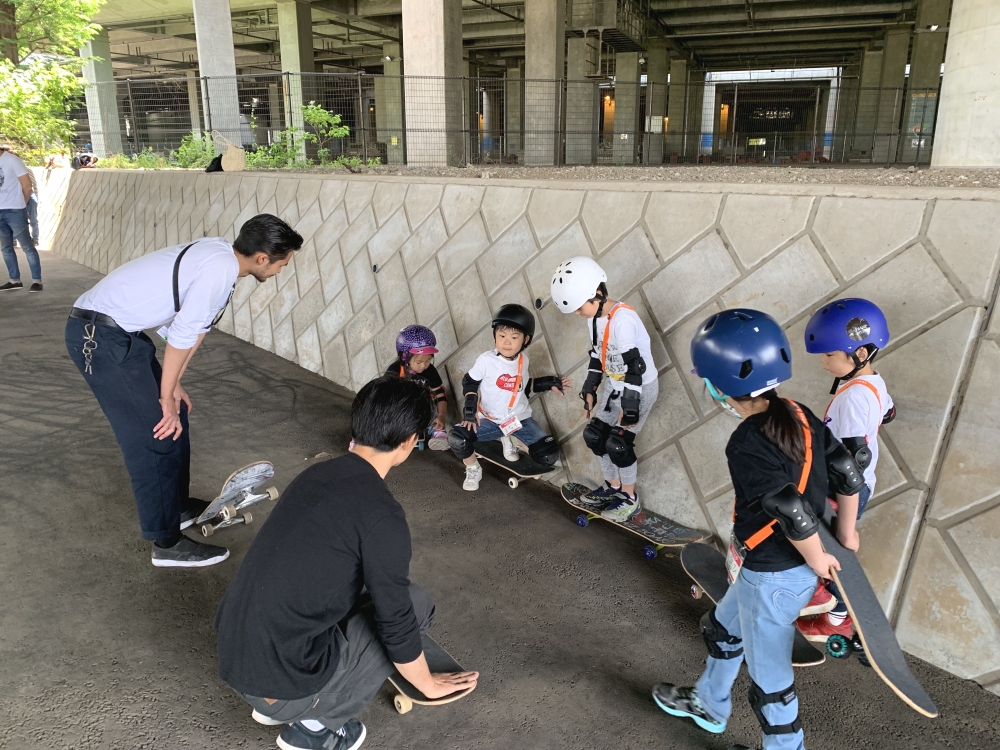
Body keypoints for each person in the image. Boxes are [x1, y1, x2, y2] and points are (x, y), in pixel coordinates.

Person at [215, 376, 479, 750]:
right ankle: (312, 729)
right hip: (281, 680)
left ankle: (275, 704)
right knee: (414, 603)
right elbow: (396, 621)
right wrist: (427, 683)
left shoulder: (317, 473)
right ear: (409, 441)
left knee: (359, 582)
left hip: (235, 654)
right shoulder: (383, 515)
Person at [651, 308, 865, 750]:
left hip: (774, 576)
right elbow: (846, 469)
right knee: (723, 629)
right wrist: (847, 534)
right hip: (768, 570)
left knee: (771, 683)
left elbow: (789, 508)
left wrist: (817, 559)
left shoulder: (747, 441)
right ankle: (710, 703)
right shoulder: (798, 412)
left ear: (718, 385)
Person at [65, 214, 301, 568]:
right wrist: (164, 398)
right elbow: (181, 335)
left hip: (122, 336)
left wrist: (173, 386)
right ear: (263, 258)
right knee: (156, 434)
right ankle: (166, 543)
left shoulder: (223, 258)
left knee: (179, 414)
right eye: (282, 263)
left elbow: (195, 330)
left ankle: (175, 507)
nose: (281, 270)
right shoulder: (220, 269)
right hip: (98, 338)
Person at [796, 298, 895, 642]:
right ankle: (833, 611)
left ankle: (826, 606)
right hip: (856, 484)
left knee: (828, 547)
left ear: (860, 353)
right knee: (833, 549)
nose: (823, 362)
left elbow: (852, 463)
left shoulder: (853, 397)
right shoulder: (872, 382)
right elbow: (889, 413)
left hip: (843, 489)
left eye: (828, 354)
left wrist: (847, 523)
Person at [549, 257, 658, 521]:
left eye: (579, 307)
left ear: (597, 293)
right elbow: (598, 356)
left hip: (638, 388)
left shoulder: (623, 321)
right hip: (614, 384)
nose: (578, 313)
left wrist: (629, 408)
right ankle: (613, 487)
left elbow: (634, 367)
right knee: (595, 435)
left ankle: (629, 498)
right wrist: (590, 388)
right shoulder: (594, 319)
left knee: (618, 444)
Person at [448, 304, 569, 491]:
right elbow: (469, 382)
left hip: (518, 420)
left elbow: (522, 386)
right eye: (502, 336)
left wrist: (548, 383)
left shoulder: (524, 361)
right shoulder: (486, 360)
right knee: (458, 438)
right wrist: (470, 412)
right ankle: (473, 468)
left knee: (547, 456)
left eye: (514, 337)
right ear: (495, 336)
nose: (506, 342)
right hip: (489, 420)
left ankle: (510, 437)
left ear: (525, 339)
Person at [385, 324, 450, 450]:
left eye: (428, 361)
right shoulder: (395, 371)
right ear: (405, 357)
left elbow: (440, 394)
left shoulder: (429, 371)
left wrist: (441, 415)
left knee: (433, 406)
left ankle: (438, 433)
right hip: (402, 410)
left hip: (425, 409)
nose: (424, 366)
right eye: (419, 362)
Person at [0, 145, 43, 292]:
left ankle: (37, 280)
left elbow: (27, 185)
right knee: (6, 248)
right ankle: (14, 280)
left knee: (27, 246)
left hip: (15, 210)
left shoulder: (12, 160)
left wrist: (22, 204)